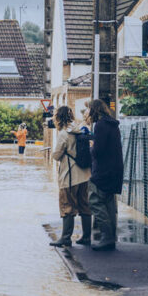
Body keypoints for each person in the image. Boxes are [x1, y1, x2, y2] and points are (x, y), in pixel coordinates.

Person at [49, 106, 92, 247]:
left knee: (67, 206)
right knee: (84, 205)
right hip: (84, 175)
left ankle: (66, 238)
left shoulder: (63, 134)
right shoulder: (79, 129)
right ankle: (86, 237)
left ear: (58, 118)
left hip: (69, 176)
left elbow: (56, 155)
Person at [86, 100, 124, 251]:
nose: (87, 114)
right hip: (115, 170)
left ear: (94, 111)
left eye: (89, 110)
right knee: (109, 203)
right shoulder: (113, 125)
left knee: (94, 200)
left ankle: (106, 236)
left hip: (103, 171)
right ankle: (110, 238)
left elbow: (98, 151)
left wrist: (91, 147)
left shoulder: (100, 125)